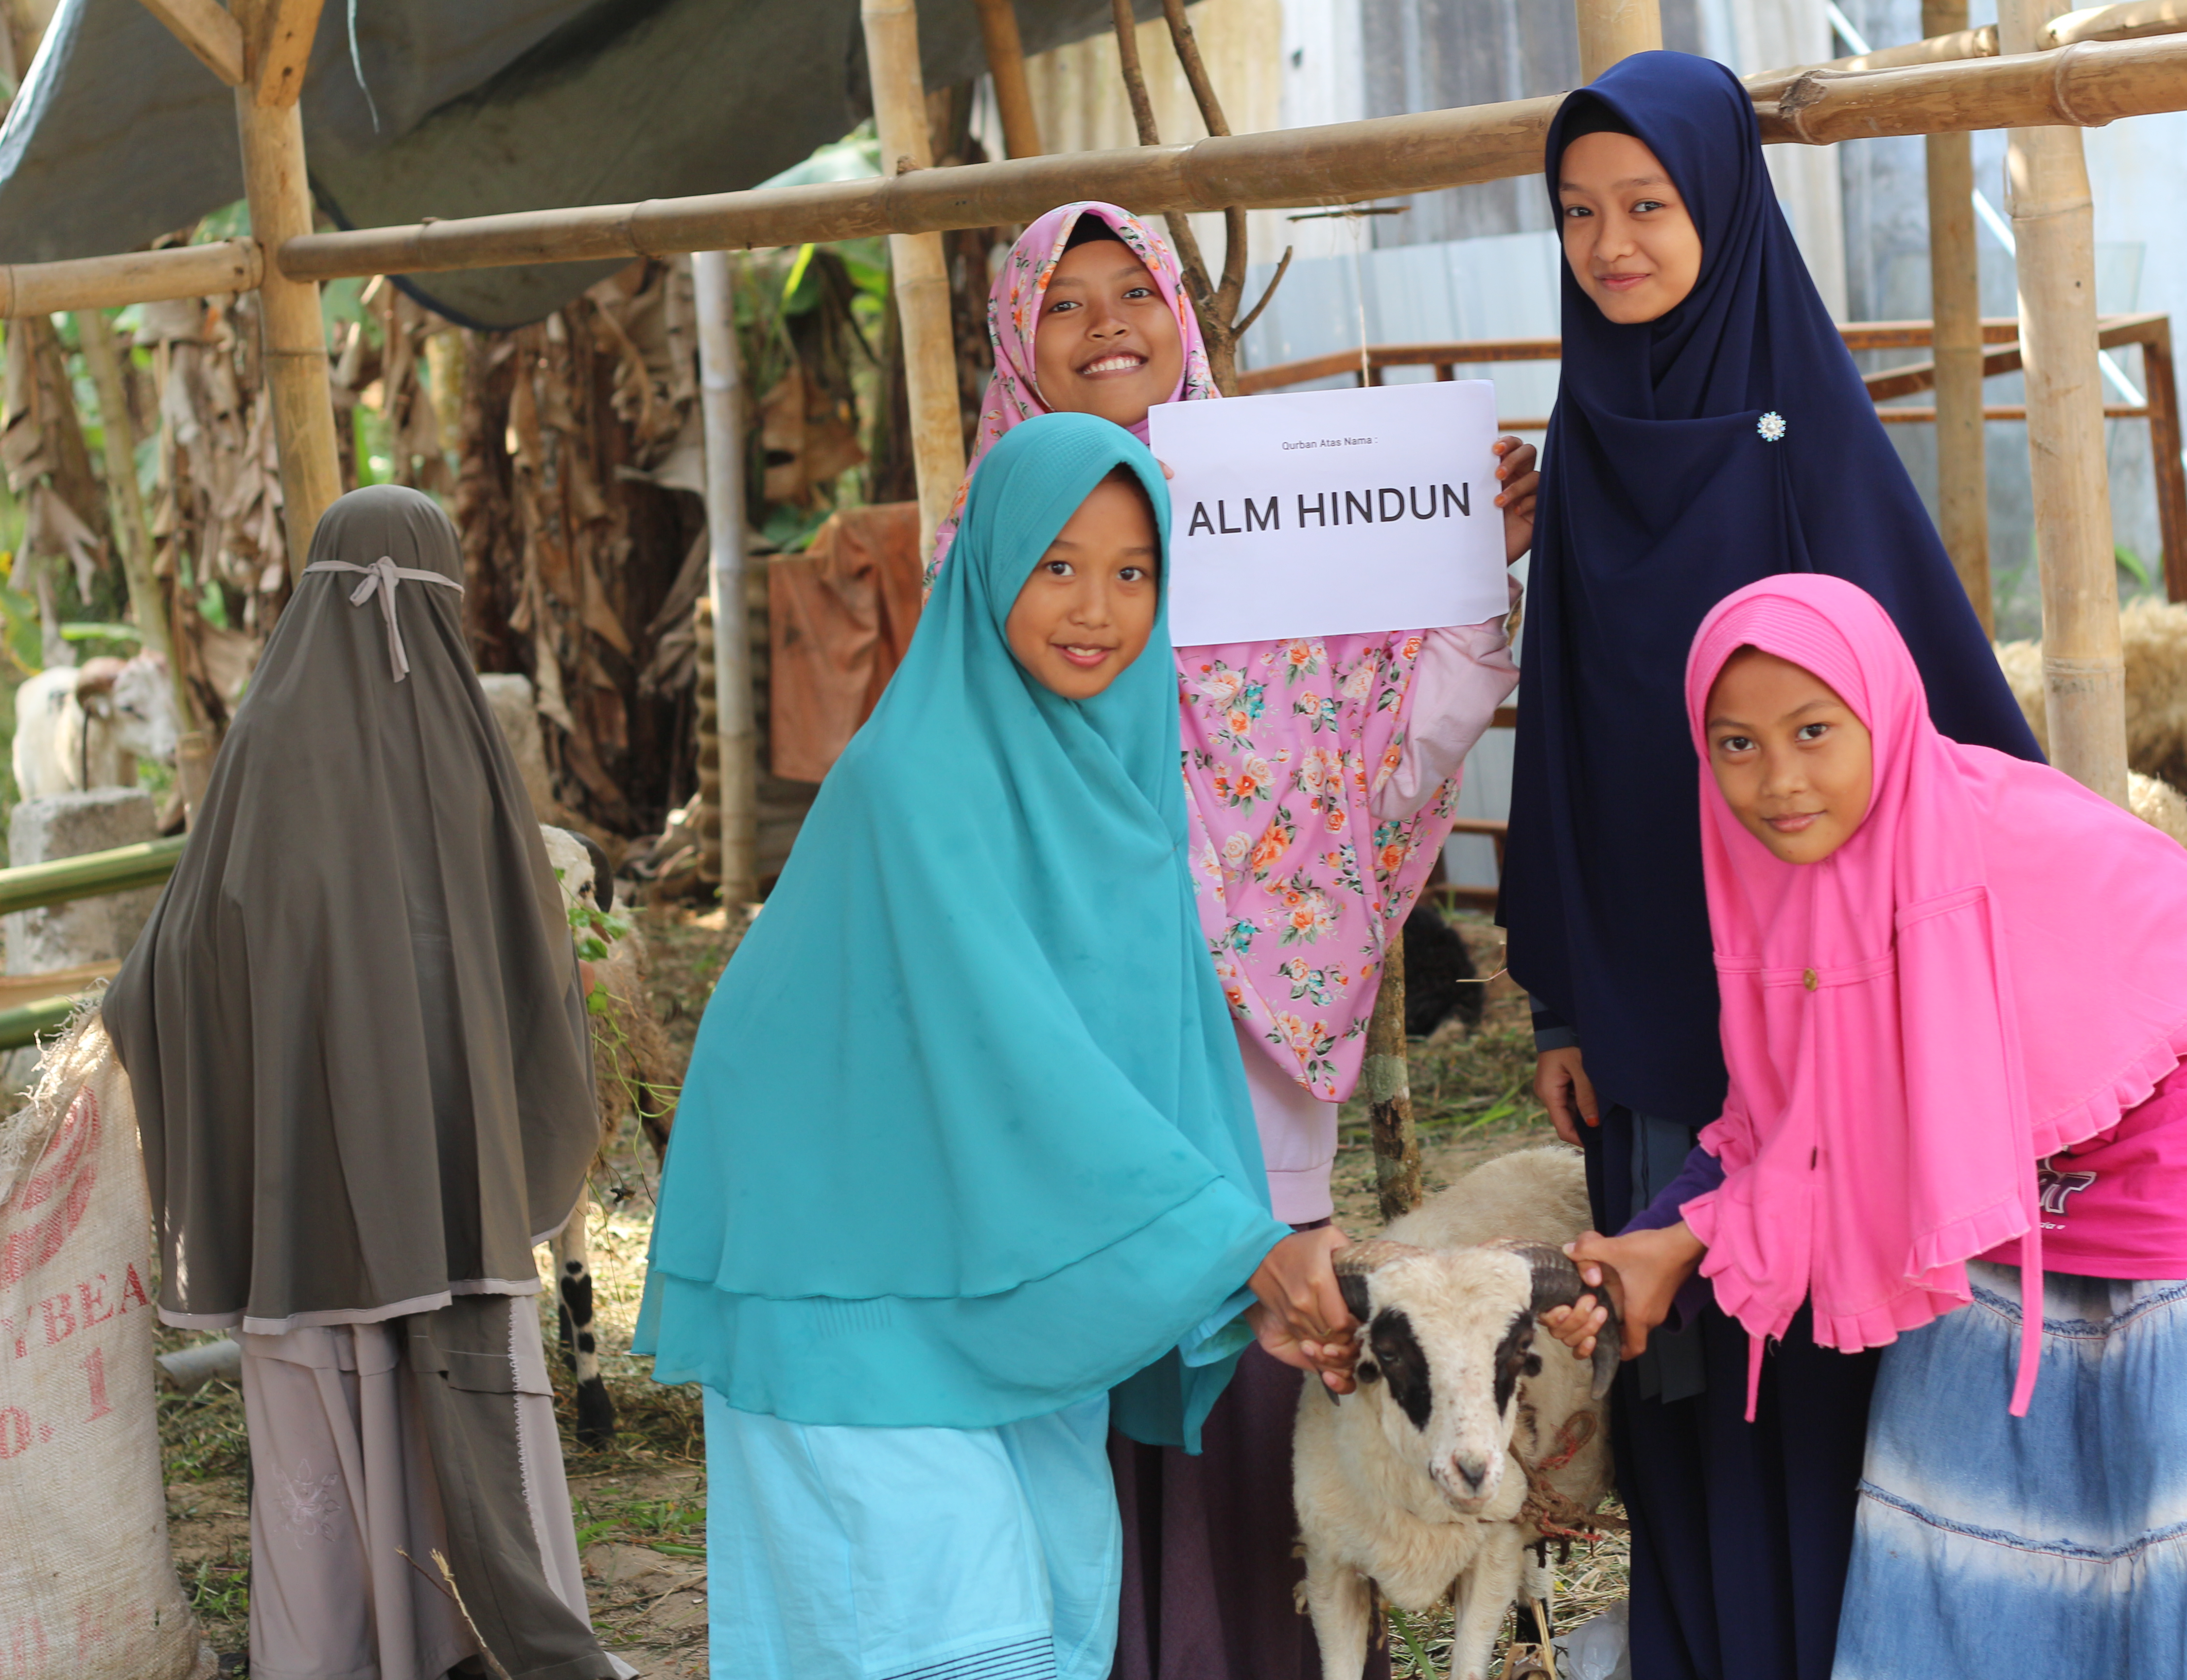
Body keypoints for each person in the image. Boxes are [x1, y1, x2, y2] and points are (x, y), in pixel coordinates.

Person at [634, 413, 1361, 1680]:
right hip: (850, 1274)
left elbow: (1165, 1060)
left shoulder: (1116, 791)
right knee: (938, 1632)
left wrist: (1239, 1250)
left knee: (1055, 1618)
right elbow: (1024, 1061)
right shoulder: (915, 781)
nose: (1097, 609)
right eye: (1057, 565)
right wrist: (1239, 1246)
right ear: (988, 569)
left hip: (1007, 1269)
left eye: (1133, 572)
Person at [1545, 573, 2187, 1678]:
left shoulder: (1969, 844)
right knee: (1962, 1470)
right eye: (1735, 745)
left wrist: (1687, 1245)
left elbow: (1871, 1131)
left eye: (1813, 732)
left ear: (1881, 712)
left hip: (2172, 1120)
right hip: (1987, 1138)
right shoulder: (1796, 874)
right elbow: (1790, 1115)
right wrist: (1659, 1240)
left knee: (2182, 1488)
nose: (1778, 781)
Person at [930, 200, 1532, 1680]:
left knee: (1252, 1324)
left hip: (1252, 1031)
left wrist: (1464, 561)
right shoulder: (981, 551)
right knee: (1091, 1353)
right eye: (1060, 303)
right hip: (1068, 1043)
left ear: (1183, 314)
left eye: (1131, 289)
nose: (1104, 322)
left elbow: (1389, 745)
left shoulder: (1278, 506)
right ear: (1015, 340)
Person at [1498, 52, 2044, 1680]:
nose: (1611, 246)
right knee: (1678, 1339)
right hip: (1653, 982)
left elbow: (1933, 702)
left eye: (1647, 207)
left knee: (1821, 1337)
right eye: (1578, 215)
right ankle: (1714, 1639)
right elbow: (1566, 734)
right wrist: (1555, 999)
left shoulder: (1801, 433)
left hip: (1825, 982)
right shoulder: (1587, 430)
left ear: (1720, 208)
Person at [104, 484, 631, 1680]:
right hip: (458, 1191)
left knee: (323, 1430)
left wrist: (150, 1024)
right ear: (440, 588)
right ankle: (478, 1631)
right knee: (469, 1395)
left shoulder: (269, 743)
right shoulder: (469, 750)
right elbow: (535, 958)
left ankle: (335, 1649)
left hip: (313, 1217)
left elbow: (184, 953)